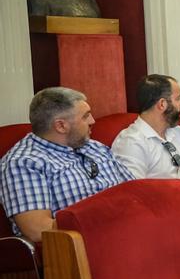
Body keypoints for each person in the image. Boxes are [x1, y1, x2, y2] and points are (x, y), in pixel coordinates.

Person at [0, 87, 132, 243]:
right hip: (81, 247)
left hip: (127, 232)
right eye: (86, 116)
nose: (93, 121)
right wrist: (103, 218)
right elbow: (37, 230)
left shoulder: (95, 147)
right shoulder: (24, 163)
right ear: (61, 126)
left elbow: (134, 189)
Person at [111, 74, 180, 179]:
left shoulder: (179, 132)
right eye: (177, 99)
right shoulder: (131, 142)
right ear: (162, 104)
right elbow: (134, 191)